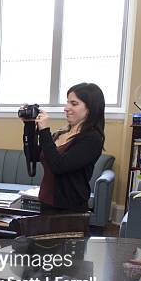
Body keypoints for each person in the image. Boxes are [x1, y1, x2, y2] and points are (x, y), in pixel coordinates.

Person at [22, 82, 105, 212]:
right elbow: (33, 155)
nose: (66, 108)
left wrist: (44, 131)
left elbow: (59, 166)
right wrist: (29, 126)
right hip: (46, 201)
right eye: (67, 103)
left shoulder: (92, 139)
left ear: (90, 108)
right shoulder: (61, 133)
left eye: (74, 103)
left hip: (69, 208)